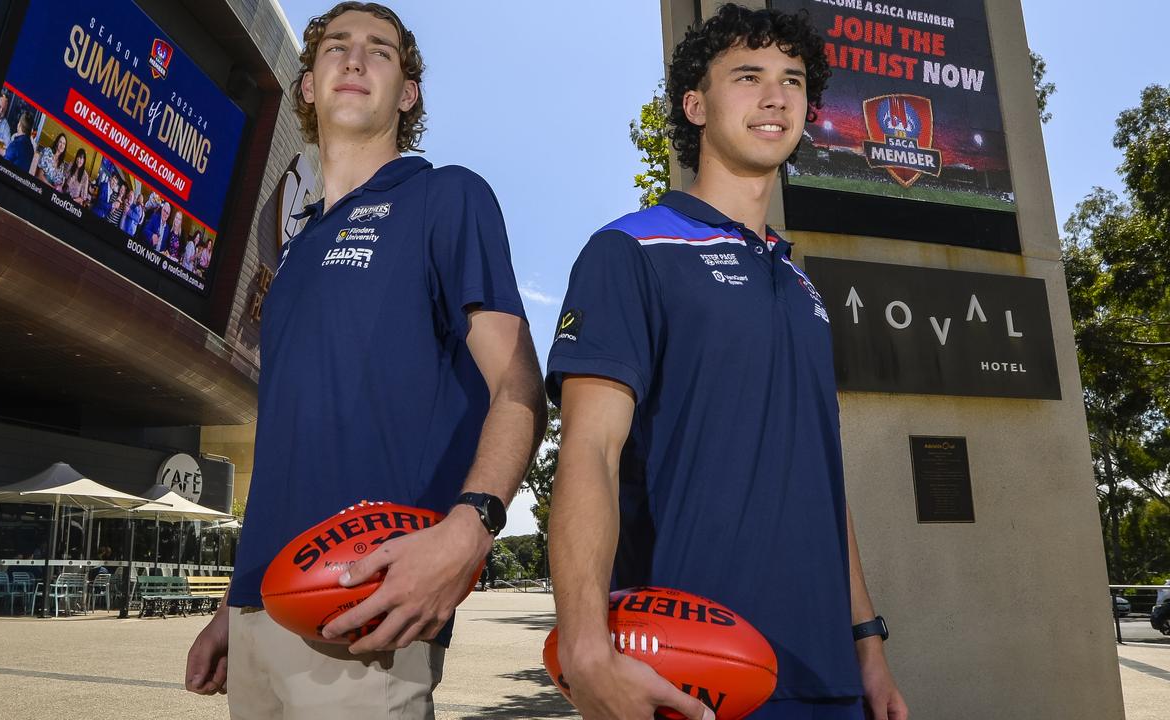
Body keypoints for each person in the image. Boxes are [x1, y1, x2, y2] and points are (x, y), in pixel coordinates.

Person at [183, 3, 546, 718]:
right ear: (310, 85)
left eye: (380, 52)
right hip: (261, 609)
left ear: (407, 93)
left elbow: (519, 383)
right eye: (336, 48)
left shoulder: (446, 196)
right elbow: (286, 442)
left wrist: (470, 528)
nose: (354, 59)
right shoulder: (290, 255)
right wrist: (234, 603)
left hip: (369, 604)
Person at [545, 6, 907, 720]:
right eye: (748, 77)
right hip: (692, 668)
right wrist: (587, 647)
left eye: (792, 81)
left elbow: (822, 482)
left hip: (827, 671)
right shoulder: (630, 251)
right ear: (695, 105)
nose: (776, 97)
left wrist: (869, 647)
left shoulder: (801, 286)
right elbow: (590, 450)